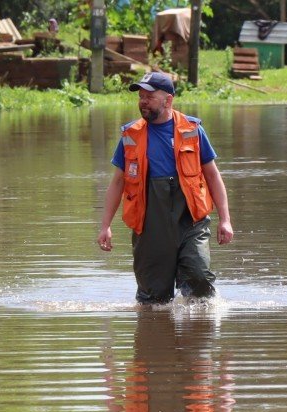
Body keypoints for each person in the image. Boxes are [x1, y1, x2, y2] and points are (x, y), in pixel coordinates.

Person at [96, 72, 234, 304]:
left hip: (191, 220)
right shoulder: (130, 135)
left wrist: (225, 219)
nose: (143, 101)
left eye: (149, 96)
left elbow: (212, 175)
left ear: (168, 100)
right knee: (153, 299)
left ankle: (199, 330)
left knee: (199, 281)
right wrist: (105, 226)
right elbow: (117, 182)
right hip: (149, 224)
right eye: (140, 96)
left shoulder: (192, 130)